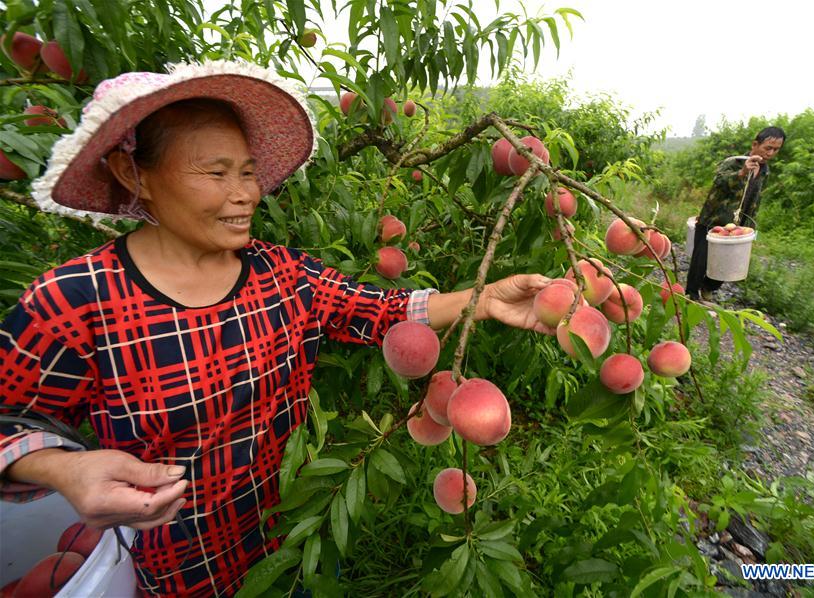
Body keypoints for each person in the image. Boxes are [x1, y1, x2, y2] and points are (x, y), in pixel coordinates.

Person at [0, 60, 563, 597]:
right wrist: (64, 467)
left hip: (295, 542)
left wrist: (485, 299)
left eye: (247, 171)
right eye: (216, 172)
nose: (245, 193)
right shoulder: (75, 300)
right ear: (133, 174)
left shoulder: (280, 272)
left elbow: (382, 310)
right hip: (183, 572)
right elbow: (8, 423)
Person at [685, 127, 786, 301]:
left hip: (738, 225)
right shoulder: (734, 162)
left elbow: (754, 199)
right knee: (700, 260)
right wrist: (742, 173)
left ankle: (708, 287)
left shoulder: (764, 171)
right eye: (767, 148)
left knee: (728, 261)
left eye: (776, 150)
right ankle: (691, 295)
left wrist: (750, 226)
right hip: (713, 219)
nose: (771, 153)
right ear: (755, 144)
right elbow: (719, 182)